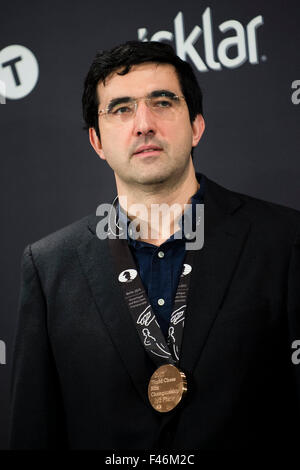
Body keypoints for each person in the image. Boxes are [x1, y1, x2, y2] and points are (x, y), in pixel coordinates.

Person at [9, 40, 300, 450]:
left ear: (196, 125)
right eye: (121, 109)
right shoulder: (48, 266)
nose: (143, 123)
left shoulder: (284, 240)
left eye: (162, 102)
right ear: (96, 141)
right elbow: (33, 431)